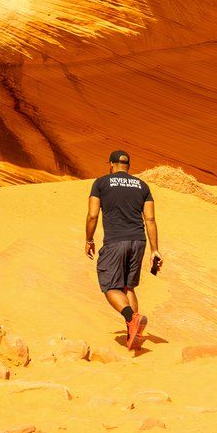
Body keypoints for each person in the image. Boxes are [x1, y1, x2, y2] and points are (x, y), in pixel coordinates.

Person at [85, 150, 163, 350]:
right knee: (128, 287)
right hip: (138, 241)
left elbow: (93, 215)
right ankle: (133, 334)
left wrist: (89, 239)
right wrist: (155, 250)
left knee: (110, 286)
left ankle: (132, 317)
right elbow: (151, 219)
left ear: (111, 164)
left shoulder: (101, 183)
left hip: (115, 241)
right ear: (128, 165)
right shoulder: (142, 186)